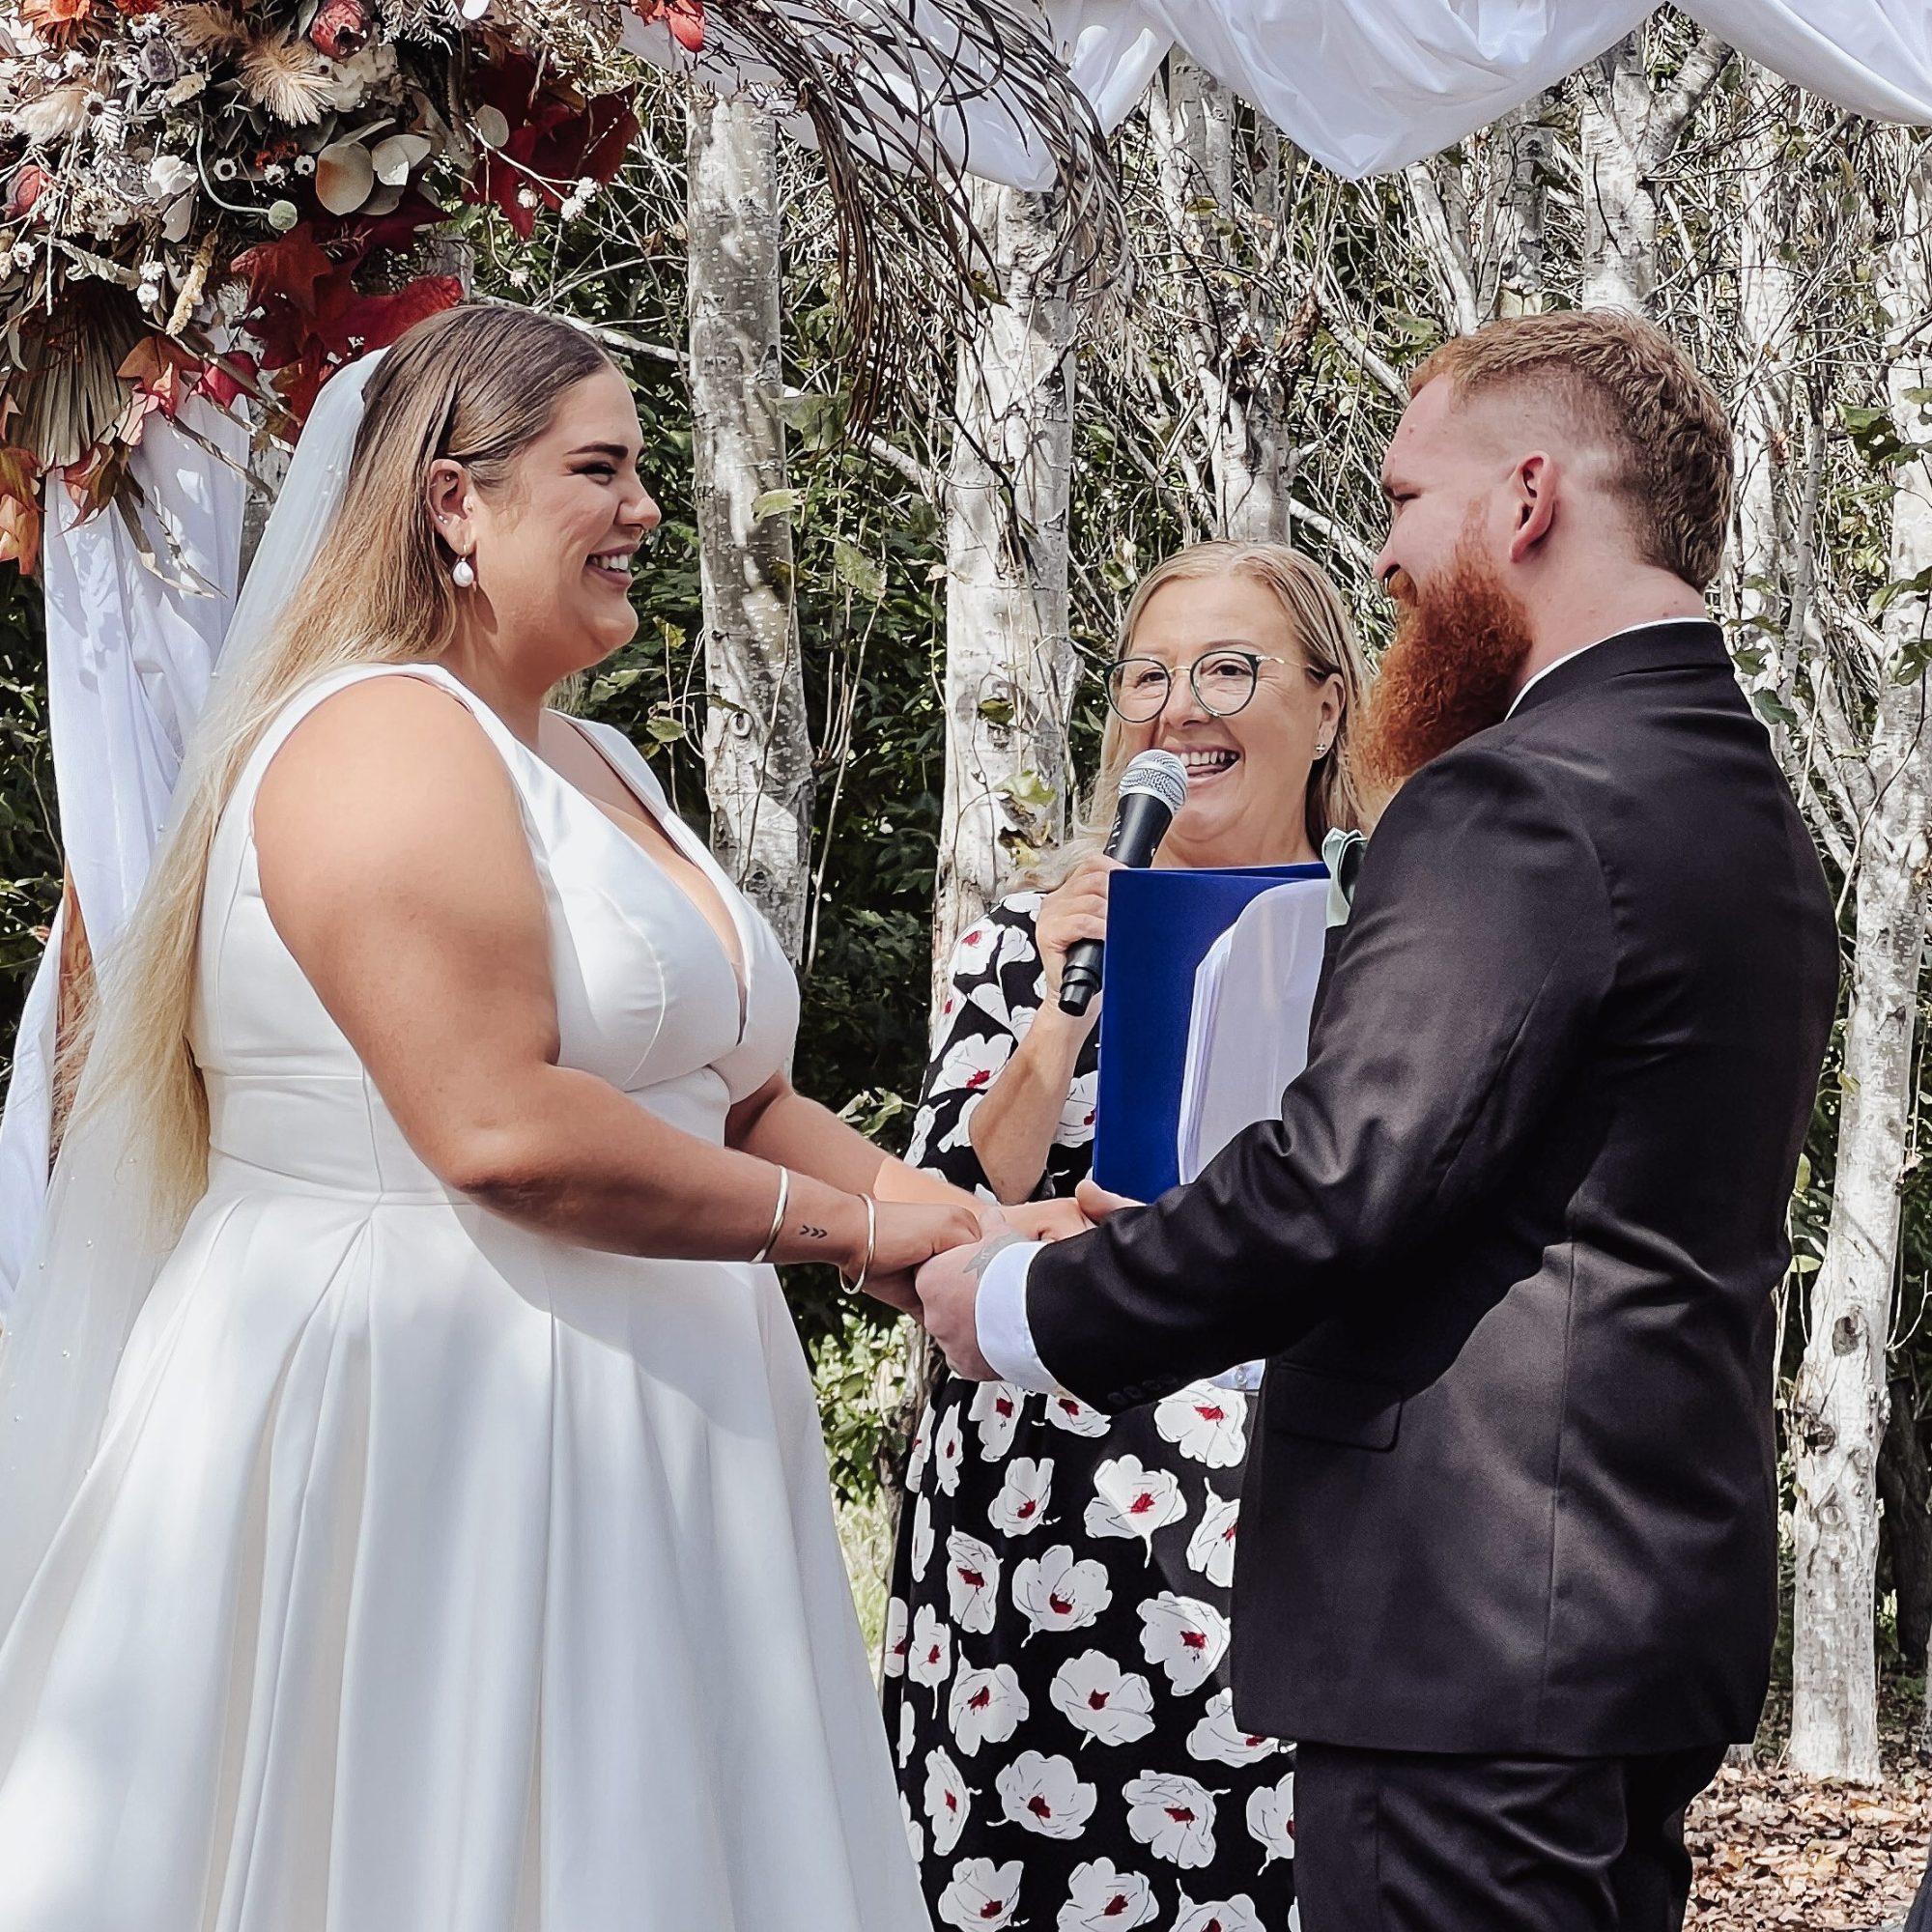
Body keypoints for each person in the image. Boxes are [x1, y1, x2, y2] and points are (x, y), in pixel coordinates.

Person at [0, 302, 1079, 1930]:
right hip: (442, 1411)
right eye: (599, 469)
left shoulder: (599, 759)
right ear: (455, 500)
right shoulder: (375, 737)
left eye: (641, 469)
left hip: (657, 1413)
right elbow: (496, 1126)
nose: (643, 508)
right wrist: (855, 1232)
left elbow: (741, 1097)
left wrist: (974, 1231)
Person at [918, 309, 1840, 1932]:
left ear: (1529, 498)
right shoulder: (1741, 799)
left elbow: (1340, 1177)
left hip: (1470, 1631)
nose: (1391, 553)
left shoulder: (1519, 797)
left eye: (1411, 499)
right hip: (1630, 1611)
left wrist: (1020, 1304)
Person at [882, 542, 1368, 1931]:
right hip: (1030, 1517)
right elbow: (931, 1213)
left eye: (1229, 669)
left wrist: (1063, 1231)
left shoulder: (1385, 937)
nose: (1180, 707)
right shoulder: (1024, 939)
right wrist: (1062, 1006)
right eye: (1148, 676)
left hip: (1284, 1502)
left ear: (1327, 706)